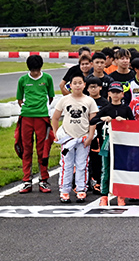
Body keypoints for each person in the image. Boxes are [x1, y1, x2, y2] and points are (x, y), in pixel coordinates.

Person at [52, 73, 98, 203]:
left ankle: (81, 189)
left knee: (82, 165)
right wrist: (56, 134)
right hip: (68, 138)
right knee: (66, 165)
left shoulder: (89, 101)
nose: (77, 85)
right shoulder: (64, 100)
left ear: (84, 85)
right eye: (75, 83)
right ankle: (64, 191)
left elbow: (93, 120)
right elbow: (55, 118)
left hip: (83, 138)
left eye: (80, 83)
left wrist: (90, 136)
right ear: (70, 85)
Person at [90, 81, 134, 206]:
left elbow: (134, 123)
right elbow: (92, 120)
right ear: (109, 94)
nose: (115, 95)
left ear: (122, 94)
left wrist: (125, 121)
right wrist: (102, 119)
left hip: (123, 143)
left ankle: (121, 195)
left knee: (121, 169)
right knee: (106, 169)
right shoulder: (106, 109)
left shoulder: (126, 109)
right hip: (108, 143)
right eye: (113, 92)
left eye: (118, 92)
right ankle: (104, 196)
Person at [16, 55, 55, 194]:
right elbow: (19, 99)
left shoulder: (47, 78)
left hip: (42, 118)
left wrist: (42, 109)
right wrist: (29, 108)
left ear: (41, 68)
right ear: (29, 69)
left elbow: (51, 97)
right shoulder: (23, 80)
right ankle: (27, 180)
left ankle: (43, 180)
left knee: (42, 149)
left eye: (37, 70)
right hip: (26, 117)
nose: (35, 73)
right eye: (33, 71)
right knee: (26, 149)